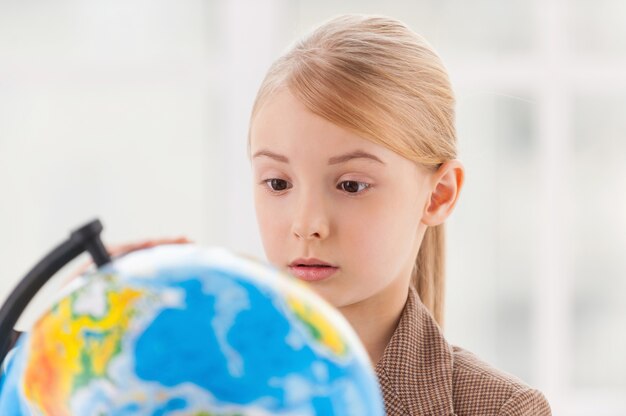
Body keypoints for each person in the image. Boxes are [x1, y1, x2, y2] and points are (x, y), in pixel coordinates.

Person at [247, 14, 551, 415]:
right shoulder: (188, 382)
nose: (307, 224)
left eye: (351, 185)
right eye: (278, 184)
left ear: (438, 195)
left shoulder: (500, 408)